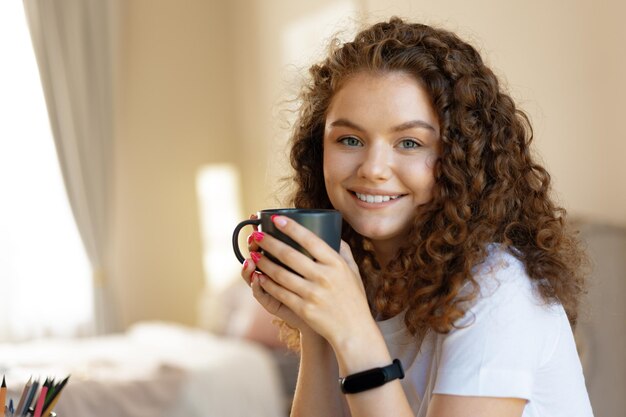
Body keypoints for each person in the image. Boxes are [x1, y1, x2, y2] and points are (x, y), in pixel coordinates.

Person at [240, 17, 593, 417]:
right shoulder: (367, 281)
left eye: (409, 142)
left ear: (462, 159)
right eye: (349, 140)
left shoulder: (498, 288)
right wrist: (317, 331)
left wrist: (354, 331)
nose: (373, 168)